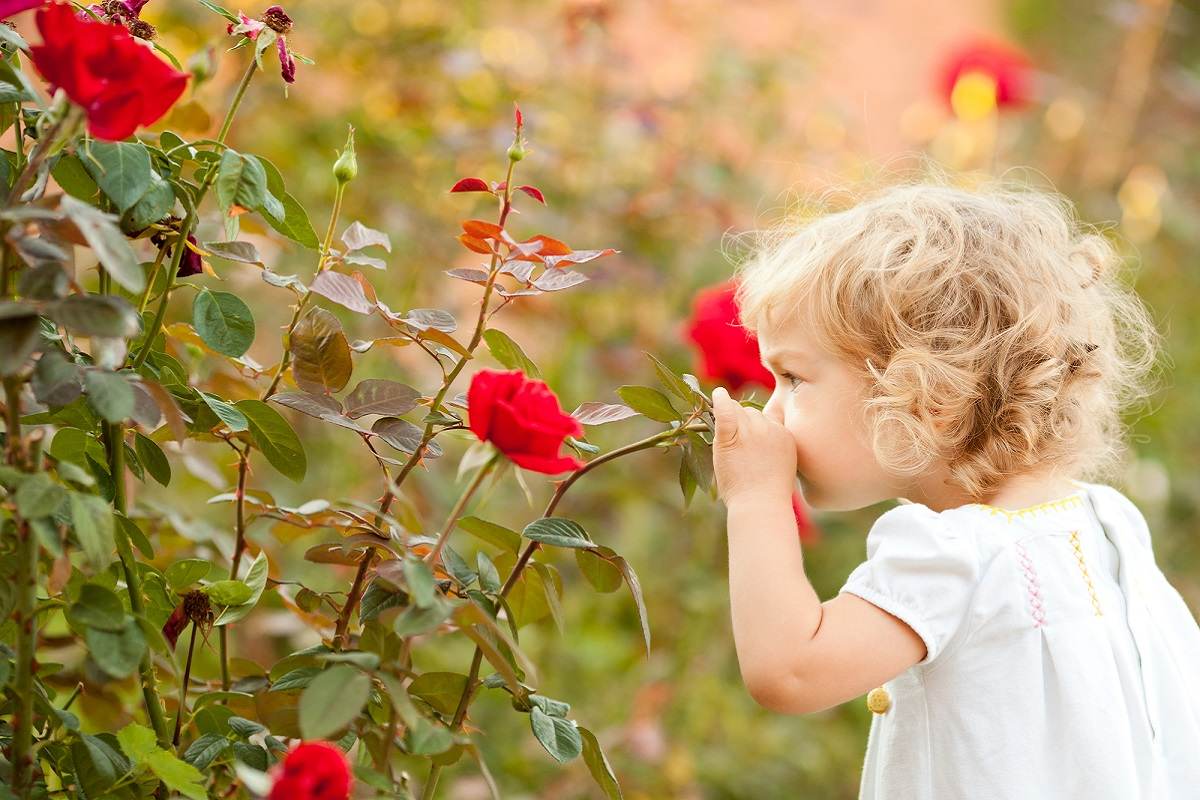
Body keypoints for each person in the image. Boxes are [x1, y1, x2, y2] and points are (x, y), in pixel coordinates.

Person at [709, 175, 1200, 799]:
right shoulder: (1107, 521)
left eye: (794, 378)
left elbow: (791, 670)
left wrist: (754, 497)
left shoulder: (956, 555)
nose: (773, 412)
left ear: (927, 392)